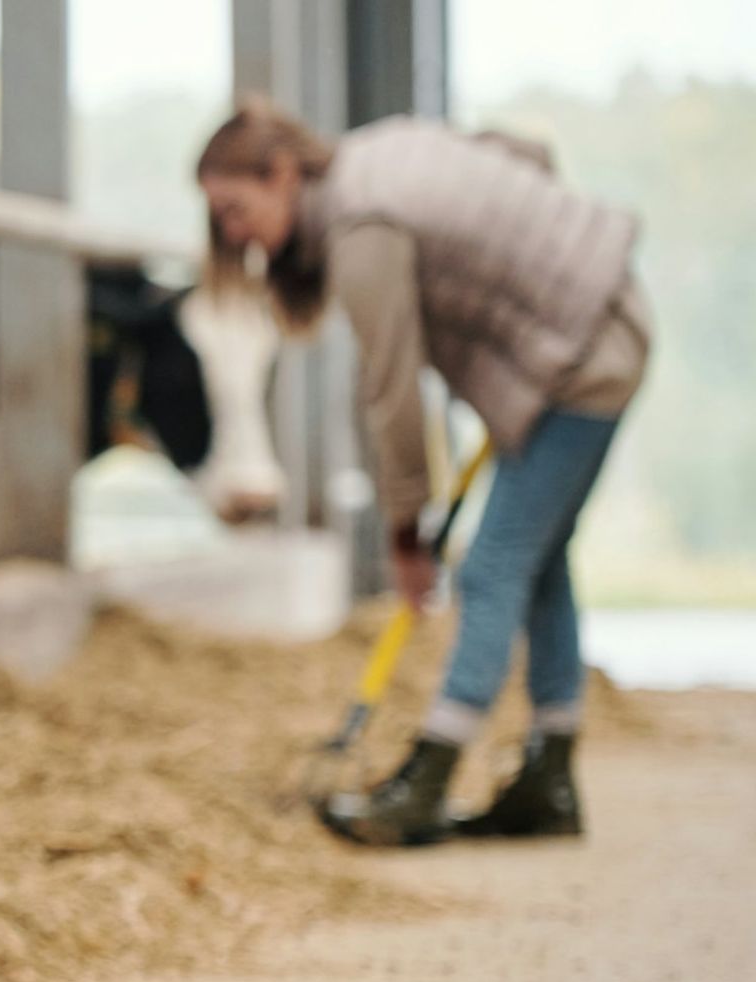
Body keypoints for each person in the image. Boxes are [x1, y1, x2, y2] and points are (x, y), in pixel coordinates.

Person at [196, 98, 651, 846]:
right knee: (537, 562)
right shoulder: (378, 155)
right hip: (594, 328)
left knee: (491, 566)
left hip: (582, 356)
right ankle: (550, 776)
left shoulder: (358, 225)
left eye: (236, 210)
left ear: (281, 174)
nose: (232, 235)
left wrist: (407, 530)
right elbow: (523, 152)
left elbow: (393, 388)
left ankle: (428, 776)